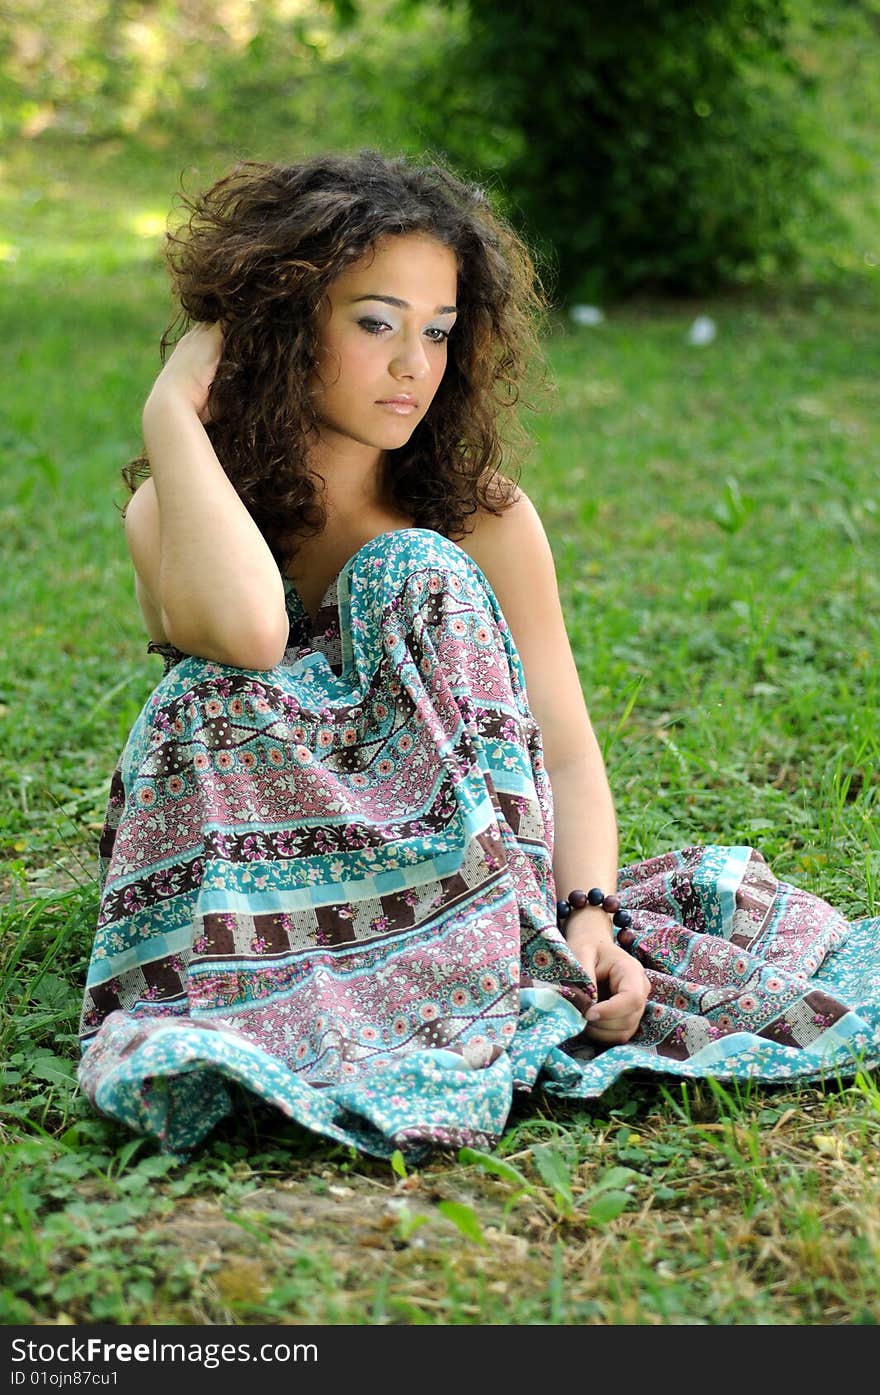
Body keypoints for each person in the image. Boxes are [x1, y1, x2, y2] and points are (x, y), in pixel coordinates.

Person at [78, 151, 879, 1159]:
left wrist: (588, 918)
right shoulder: (180, 510)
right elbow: (244, 638)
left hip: (465, 883)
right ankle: (338, 995)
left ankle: (456, 972)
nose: (415, 365)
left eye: (438, 332)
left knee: (408, 568)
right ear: (282, 327)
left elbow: (565, 748)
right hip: (272, 901)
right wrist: (171, 417)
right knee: (207, 688)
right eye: (375, 324)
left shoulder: (477, 522)